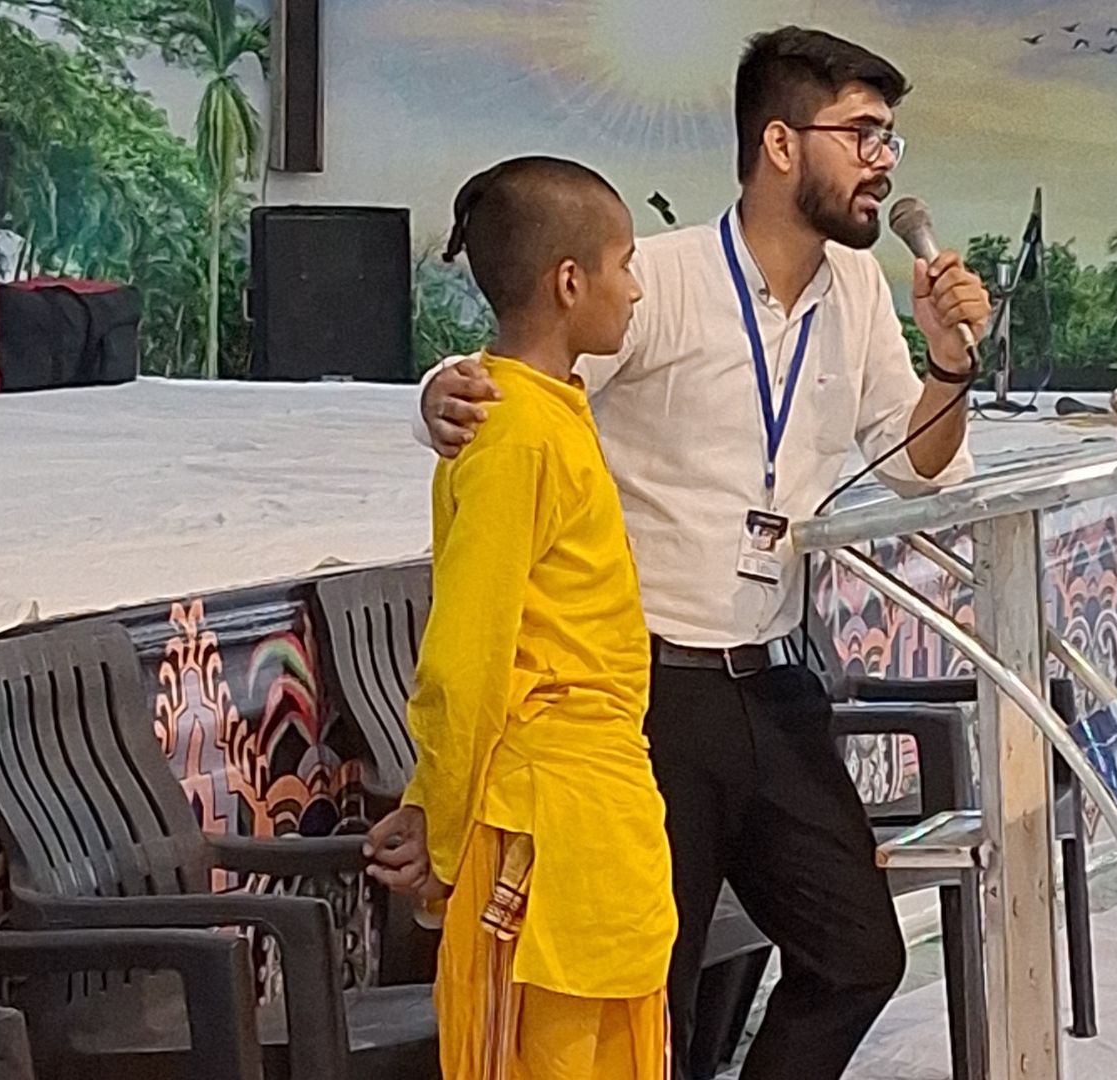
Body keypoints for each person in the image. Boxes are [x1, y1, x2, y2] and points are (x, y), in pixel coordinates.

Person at [380, 27, 992, 1080]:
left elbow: (919, 465)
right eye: (862, 134)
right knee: (647, 993)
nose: (884, 162)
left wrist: (946, 363)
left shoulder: (855, 293)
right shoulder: (649, 278)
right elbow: (525, 368)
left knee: (858, 954)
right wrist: (440, 390)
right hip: (655, 692)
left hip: (772, 675)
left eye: (890, 138)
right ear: (781, 145)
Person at [367, 155, 676, 1080]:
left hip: (592, 821)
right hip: (537, 829)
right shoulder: (511, 434)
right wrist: (443, 825)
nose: (634, 288)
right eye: (624, 264)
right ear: (570, 282)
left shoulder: (551, 414)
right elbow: (465, 663)